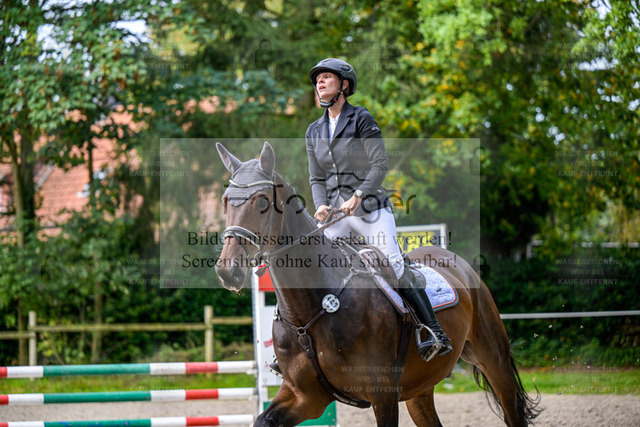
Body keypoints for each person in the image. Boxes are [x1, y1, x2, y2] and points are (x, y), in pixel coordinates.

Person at [269, 59, 451, 379]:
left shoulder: (361, 118)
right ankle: (289, 344)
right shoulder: (313, 130)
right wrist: (321, 205)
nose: (320, 82)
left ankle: (432, 330)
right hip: (335, 215)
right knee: (309, 262)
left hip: (370, 209)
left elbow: (380, 163)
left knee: (393, 263)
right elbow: (316, 177)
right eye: (318, 79)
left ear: (344, 85)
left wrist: (359, 195)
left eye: (327, 77)